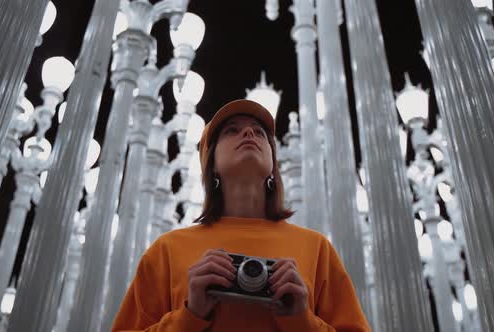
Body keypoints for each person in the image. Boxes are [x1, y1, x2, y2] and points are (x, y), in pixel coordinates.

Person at [111, 99, 371, 331]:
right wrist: (189, 316)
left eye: (260, 132)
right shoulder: (165, 251)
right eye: (231, 130)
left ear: (273, 166)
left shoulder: (317, 249)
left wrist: (302, 320)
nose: (249, 132)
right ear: (210, 164)